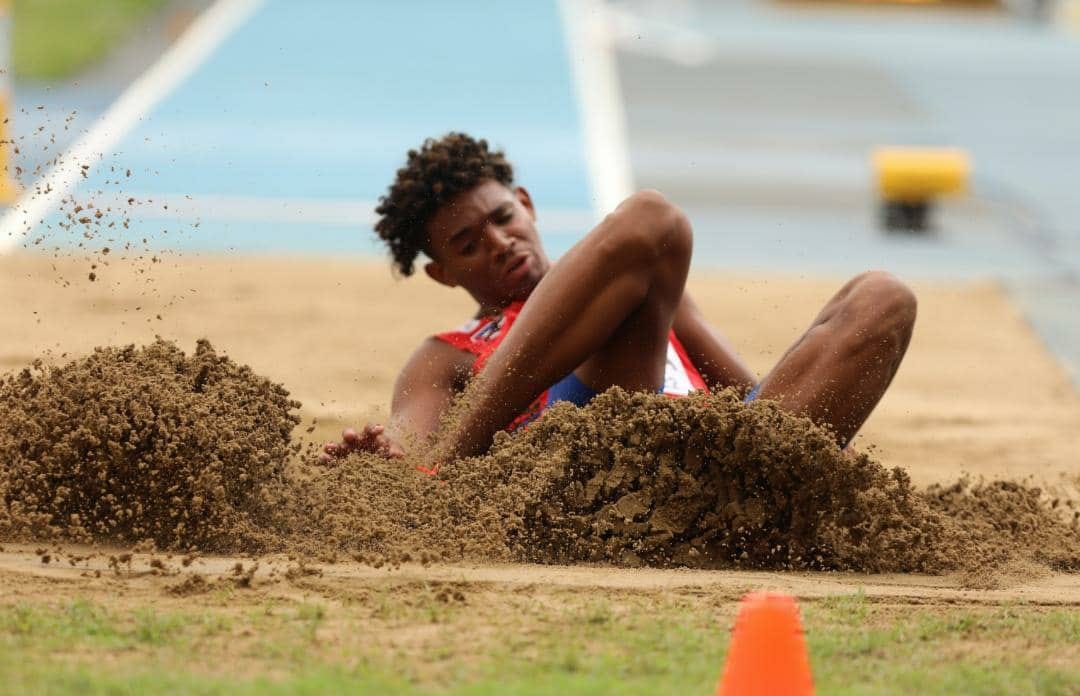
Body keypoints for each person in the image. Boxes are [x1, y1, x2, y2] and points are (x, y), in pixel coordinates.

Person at [324, 133, 916, 468]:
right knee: (651, 220)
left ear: (526, 204)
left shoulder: (647, 281)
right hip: (595, 475)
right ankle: (444, 476)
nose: (500, 244)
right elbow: (410, 441)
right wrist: (390, 461)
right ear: (442, 274)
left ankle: (770, 497)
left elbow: (748, 398)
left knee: (883, 297)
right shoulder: (444, 353)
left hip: (716, 470)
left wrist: (817, 431)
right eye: (468, 245)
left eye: (503, 218)